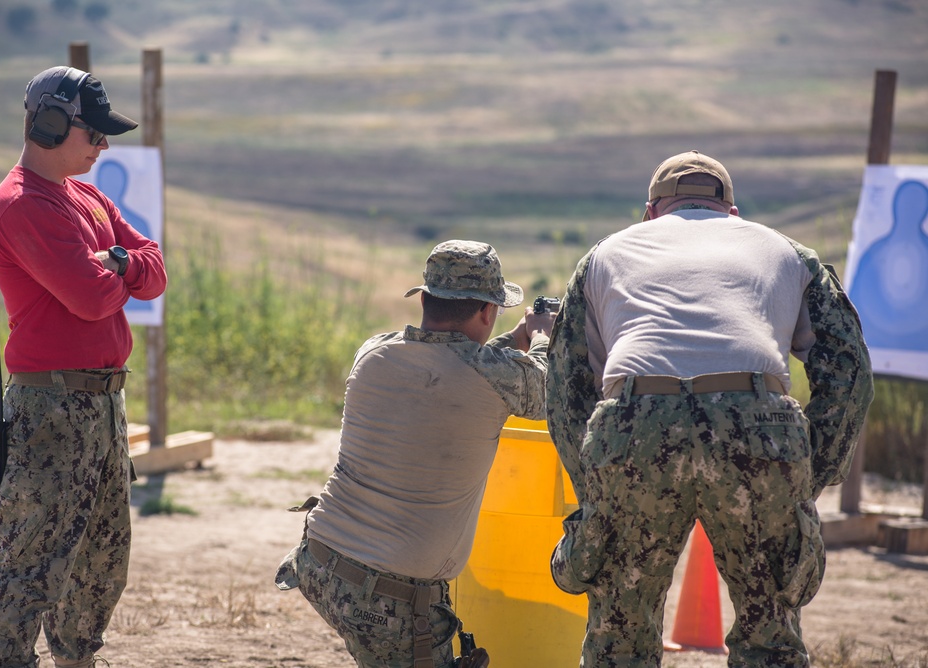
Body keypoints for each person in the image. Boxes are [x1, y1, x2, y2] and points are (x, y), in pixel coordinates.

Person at [545, 150, 873, 667]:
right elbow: (848, 370)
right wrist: (810, 472)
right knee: (771, 634)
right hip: (757, 426)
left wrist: (598, 487)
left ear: (650, 213)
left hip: (636, 426)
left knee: (619, 639)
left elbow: (566, 391)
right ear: (733, 214)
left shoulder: (605, 254)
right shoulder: (787, 251)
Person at [275, 239, 555, 667]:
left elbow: (453, 366)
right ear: (487, 311)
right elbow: (543, 386)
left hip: (320, 560)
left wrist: (515, 338)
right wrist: (541, 336)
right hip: (388, 598)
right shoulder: (492, 378)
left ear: (424, 298)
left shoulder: (374, 351)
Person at [0, 66, 168, 668]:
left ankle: (75, 659)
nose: (103, 145)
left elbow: (154, 268)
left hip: (103, 403)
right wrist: (120, 271)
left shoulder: (83, 194)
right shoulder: (23, 204)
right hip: (51, 407)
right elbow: (91, 298)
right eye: (93, 132)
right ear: (51, 125)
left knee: (100, 560)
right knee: (30, 559)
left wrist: (115, 267)